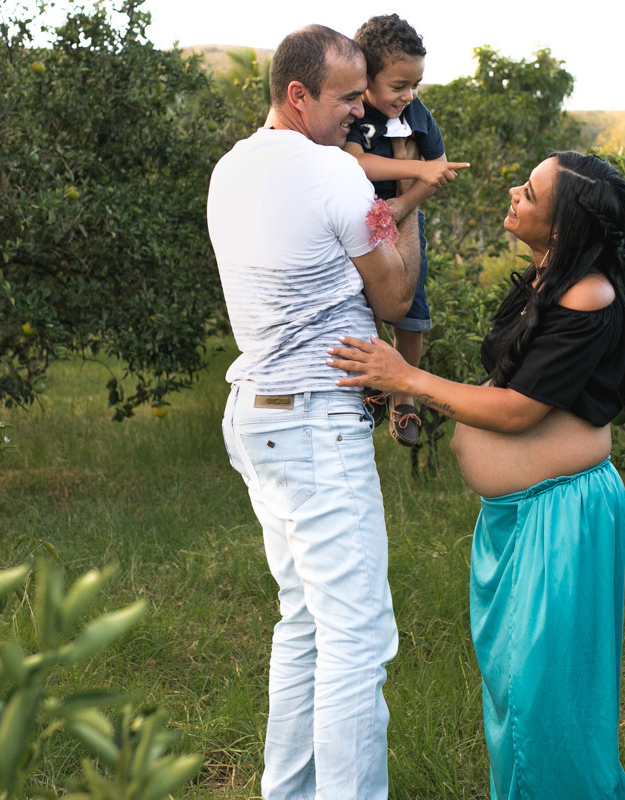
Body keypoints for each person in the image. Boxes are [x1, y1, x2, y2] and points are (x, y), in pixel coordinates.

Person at [327, 151, 625, 799]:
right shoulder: (548, 281)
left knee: (542, 699)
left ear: (562, 226)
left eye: (529, 192)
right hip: (521, 515)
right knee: (517, 692)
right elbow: (504, 386)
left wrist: (408, 376)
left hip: (560, 516)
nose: (513, 192)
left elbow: (517, 410)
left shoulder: (588, 294)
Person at [206, 24, 418, 800]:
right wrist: (404, 206)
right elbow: (395, 297)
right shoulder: (333, 173)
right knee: (357, 637)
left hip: (257, 415)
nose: (361, 112)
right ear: (298, 95)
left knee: (303, 621)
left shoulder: (231, 167)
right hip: (315, 421)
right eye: (347, 98)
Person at [343, 13, 469, 448]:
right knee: (363, 305)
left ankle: (403, 393)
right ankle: (372, 381)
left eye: (415, 85)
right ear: (366, 79)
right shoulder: (356, 114)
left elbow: (437, 170)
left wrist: (403, 203)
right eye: (399, 86)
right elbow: (357, 162)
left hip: (402, 219)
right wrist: (415, 168)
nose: (409, 95)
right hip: (357, 223)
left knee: (411, 310)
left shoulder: (417, 114)